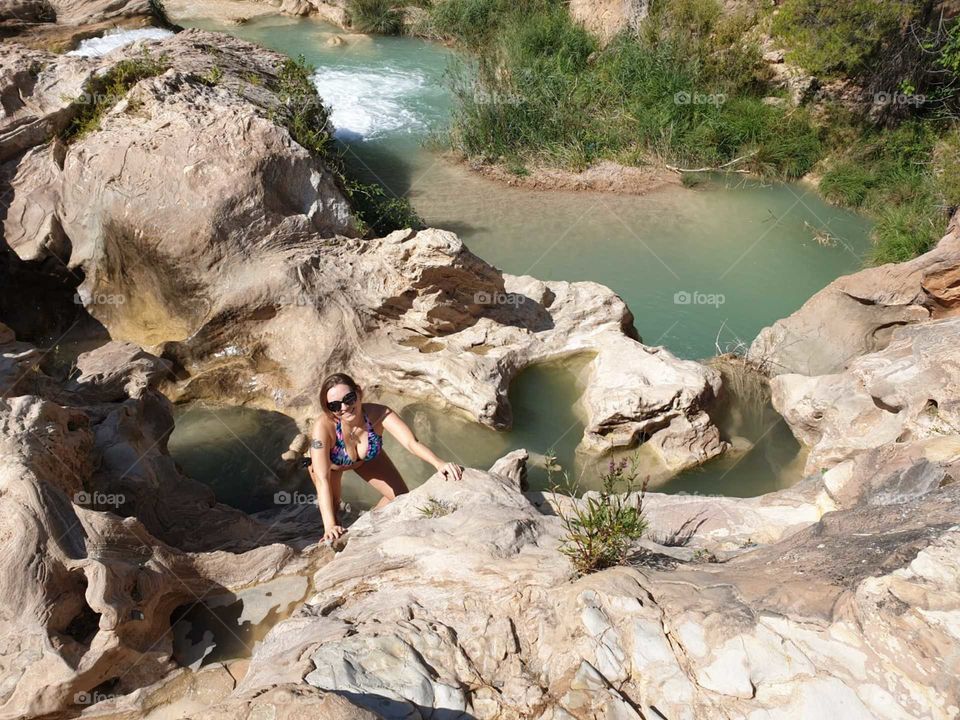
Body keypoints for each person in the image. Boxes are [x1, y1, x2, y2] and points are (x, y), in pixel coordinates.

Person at [308, 372, 463, 542]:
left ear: (359, 393)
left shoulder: (380, 414)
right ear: (329, 409)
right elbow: (322, 478)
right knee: (334, 509)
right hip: (331, 466)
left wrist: (439, 463)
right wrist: (329, 526)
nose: (344, 407)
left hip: (364, 460)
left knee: (400, 498)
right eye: (335, 406)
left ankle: (366, 524)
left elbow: (411, 443)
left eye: (349, 398)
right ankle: (335, 528)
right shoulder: (322, 427)